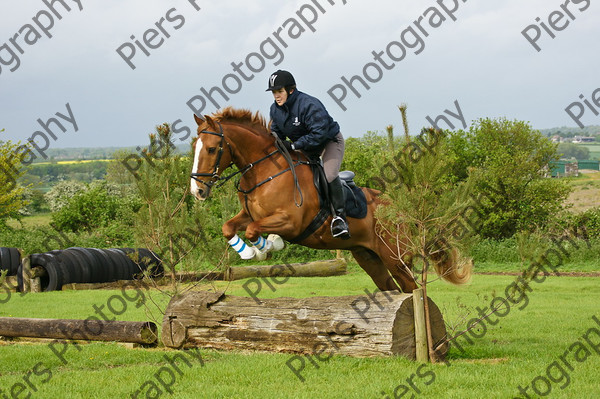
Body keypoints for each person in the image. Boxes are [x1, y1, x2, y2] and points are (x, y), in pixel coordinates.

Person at [266, 70, 350, 239]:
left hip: (328, 141)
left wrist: (295, 145)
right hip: (305, 146)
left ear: (291, 90)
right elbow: (276, 134)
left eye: (279, 91)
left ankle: (340, 218)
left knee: (329, 174)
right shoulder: (275, 110)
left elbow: (319, 134)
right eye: (274, 92)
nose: (276, 96)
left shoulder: (309, 104)